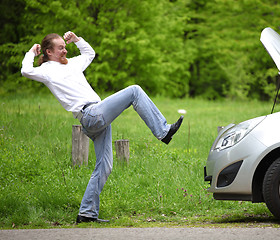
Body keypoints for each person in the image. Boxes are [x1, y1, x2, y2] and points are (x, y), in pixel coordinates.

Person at [21, 31, 184, 223]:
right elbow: (25, 71)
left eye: (65, 47)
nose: (65, 50)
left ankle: (86, 213)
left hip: (96, 119)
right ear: (49, 51)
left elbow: (89, 54)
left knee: (104, 166)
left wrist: (77, 40)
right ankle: (163, 131)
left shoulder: (71, 64)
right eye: (61, 48)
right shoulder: (47, 71)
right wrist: (31, 52)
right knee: (134, 91)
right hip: (91, 114)